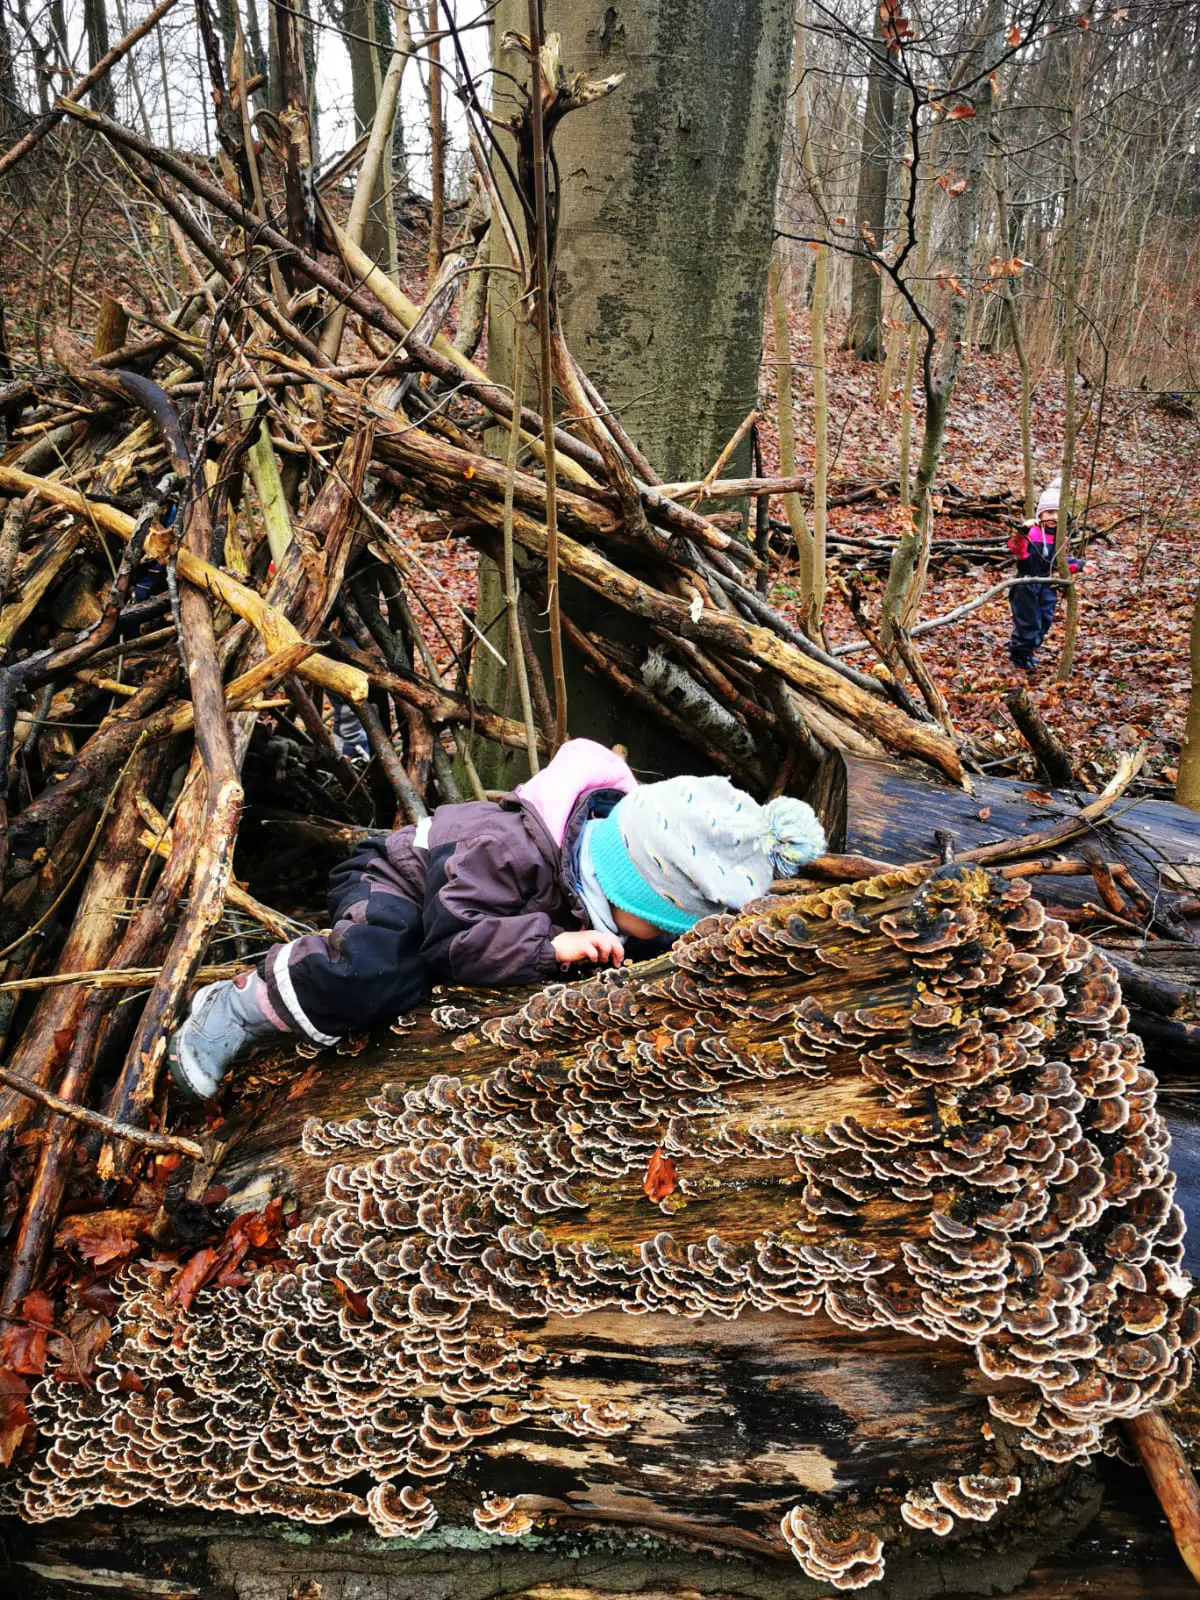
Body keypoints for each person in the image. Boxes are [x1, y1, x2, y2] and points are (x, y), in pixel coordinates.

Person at [167, 740, 827, 1101]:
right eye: (663, 926)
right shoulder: (509, 847)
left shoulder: (601, 880)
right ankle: (236, 1009)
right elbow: (455, 939)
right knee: (377, 970)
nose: (655, 942)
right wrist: (550, 943)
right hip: (399, 885)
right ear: (632, 891)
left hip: (468, 910)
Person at [1007, 476, 1079, 671]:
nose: (1053, 517)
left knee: (1045, 620)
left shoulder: (1061, 538)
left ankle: (1028, 652)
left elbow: (1060, 562)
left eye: (1057, 513)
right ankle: (1019, 656)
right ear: (1040, 515)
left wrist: (1080, 565)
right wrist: (1022, 533)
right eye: (1048, 512)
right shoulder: (1033, 533)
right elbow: (1017, 549)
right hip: (1026, 583)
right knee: (1029, 622)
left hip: (1046, 584)